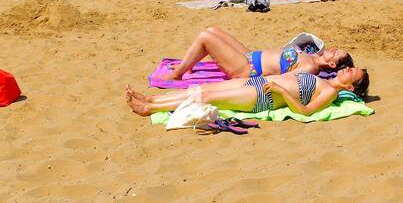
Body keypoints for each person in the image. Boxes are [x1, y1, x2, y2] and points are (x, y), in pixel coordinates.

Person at [126, 67, 370, 117]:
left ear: (350, 87)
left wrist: (281, 91)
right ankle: (153, 98)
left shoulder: (330, 92)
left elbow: (305, 111)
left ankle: (150, 109)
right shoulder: (323, 79)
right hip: (260, 83)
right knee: (204, 88)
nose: (347, 69)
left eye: (352, 73)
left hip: (263, 97)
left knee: (208, 97)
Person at [166, 27, 354, 80]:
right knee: (213, 30)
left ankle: (177, 74)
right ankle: (188, 64)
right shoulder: (312, 55)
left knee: (205, 37)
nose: (333, 49)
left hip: (247, 69)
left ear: (332, 65)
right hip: (250, 55)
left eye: (335, 54)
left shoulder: (310, 68)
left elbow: (283, 81)